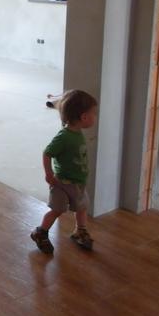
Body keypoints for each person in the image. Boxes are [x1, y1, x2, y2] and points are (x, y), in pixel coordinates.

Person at [30, 89, 98, 254]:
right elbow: (47, 153)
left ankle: (80, 231)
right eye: (94, 113)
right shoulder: (64, 137)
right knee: (57, 210)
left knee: (82, 207)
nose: (95, 117)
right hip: (62, 183)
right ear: (84, 117)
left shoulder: (77, 132)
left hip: (78, 183)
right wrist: (49, 174)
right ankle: (40, 232)